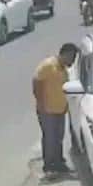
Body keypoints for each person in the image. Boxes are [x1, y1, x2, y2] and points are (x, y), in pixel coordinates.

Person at [33, 43, 78, 178]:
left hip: (59, 110)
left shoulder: (63, 70)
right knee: (50, 139)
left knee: (59, 138)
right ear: (66, 54)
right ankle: (49, 167)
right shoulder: (48, 65)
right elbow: (36, 81)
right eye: (72, 57)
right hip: (47, 110)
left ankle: (59, 164)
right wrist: (41, 103)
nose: (73, 61)